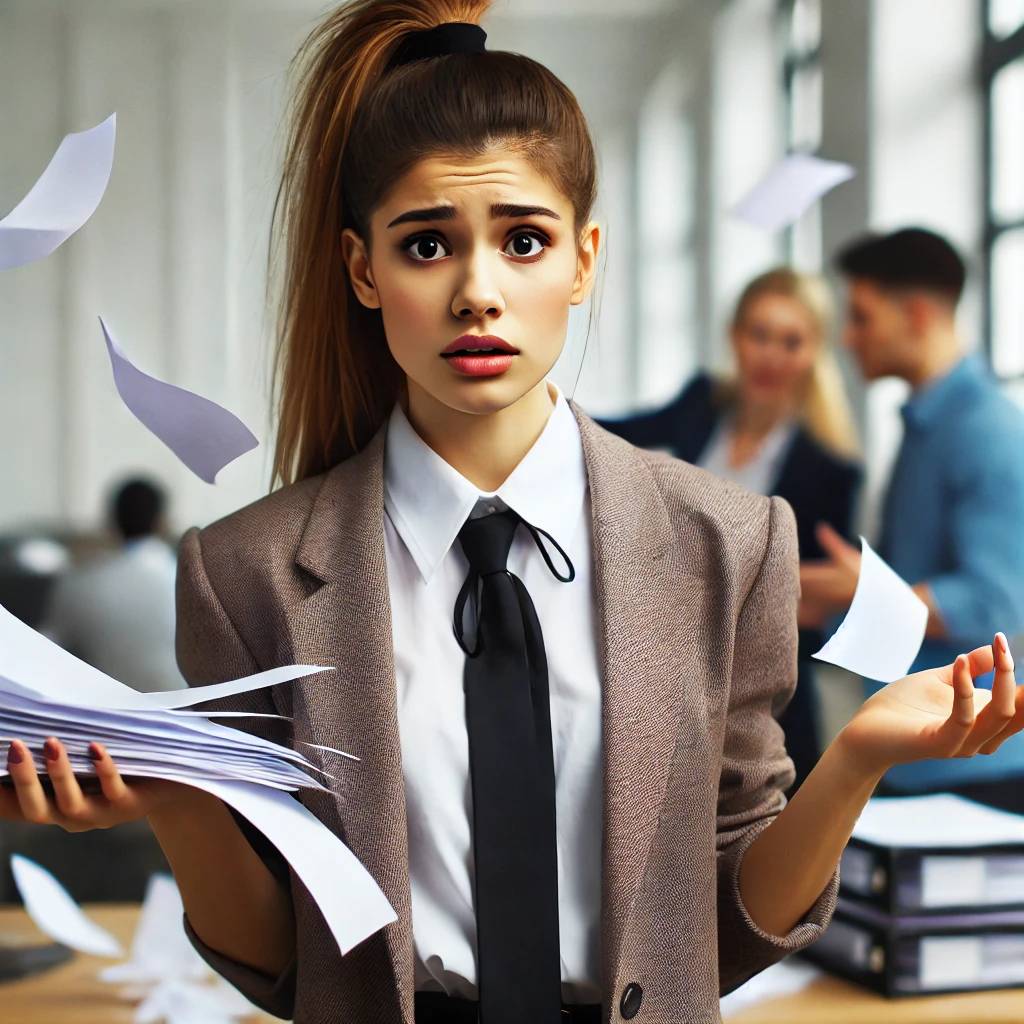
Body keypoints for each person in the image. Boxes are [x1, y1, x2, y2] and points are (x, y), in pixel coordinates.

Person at [2, 8, 1022, 1024]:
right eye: (427, 245)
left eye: (523, 240)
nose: (476, 292)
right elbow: (290, 965)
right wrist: (181, 801)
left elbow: (725, 931)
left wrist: (856, 757)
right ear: (364, 270)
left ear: (582, 258)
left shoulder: (730, 541)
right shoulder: (246, 574)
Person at [598, 268, 862, 792]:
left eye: (791, 342)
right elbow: (611, 438)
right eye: (758, 335)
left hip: (763, 694)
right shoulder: (700, 404)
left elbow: (814, 601)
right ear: (734, 336)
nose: (770, 356)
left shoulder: (830, 469)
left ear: (815, 353)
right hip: (662, 669)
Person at [801, 227, 1024, 810]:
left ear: (918, 314)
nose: (848, 338)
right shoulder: (930, 426)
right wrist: (837, 601)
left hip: (975, 775)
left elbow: (994, 604)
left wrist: (870, 593)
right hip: (925, 756)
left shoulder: (988, 432)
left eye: (862, 317)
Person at [44, 476, 185, 693]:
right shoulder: (187, 583)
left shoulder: (80, 583)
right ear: (162, 522)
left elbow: (47, 645)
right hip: (182, 713)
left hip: (105, 713)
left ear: (112, 521)